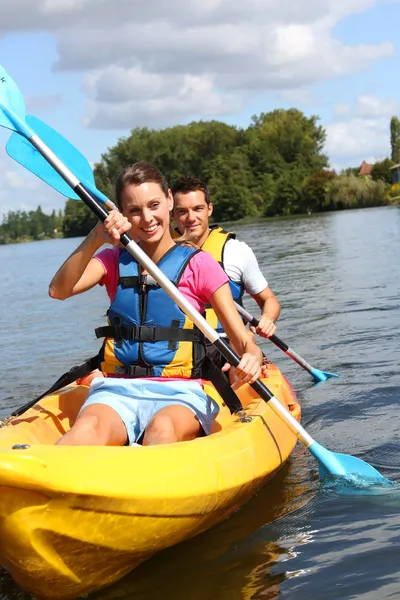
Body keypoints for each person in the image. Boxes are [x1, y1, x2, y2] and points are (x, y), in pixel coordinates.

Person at [49, 162, 263, 447]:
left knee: (161, 429)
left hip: (180, 392)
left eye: (154, 205)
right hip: (116, 390)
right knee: (86, 429)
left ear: (169, 201)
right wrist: (96, 237)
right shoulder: (114, 260)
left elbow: (243, 341)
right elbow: (58, 290)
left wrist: (252, 357)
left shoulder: (201, 265)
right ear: (122, 214)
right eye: (135, 211)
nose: (147, 218)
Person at [171, 177, 280, 339]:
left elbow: (269, 300)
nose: (191, 217)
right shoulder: (160, 252)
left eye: (198, 209)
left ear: (209, 209)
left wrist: (267, 318)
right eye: (182, 211)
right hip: (181, 351)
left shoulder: (236, 251)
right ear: (172, 214)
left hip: (228, 347)